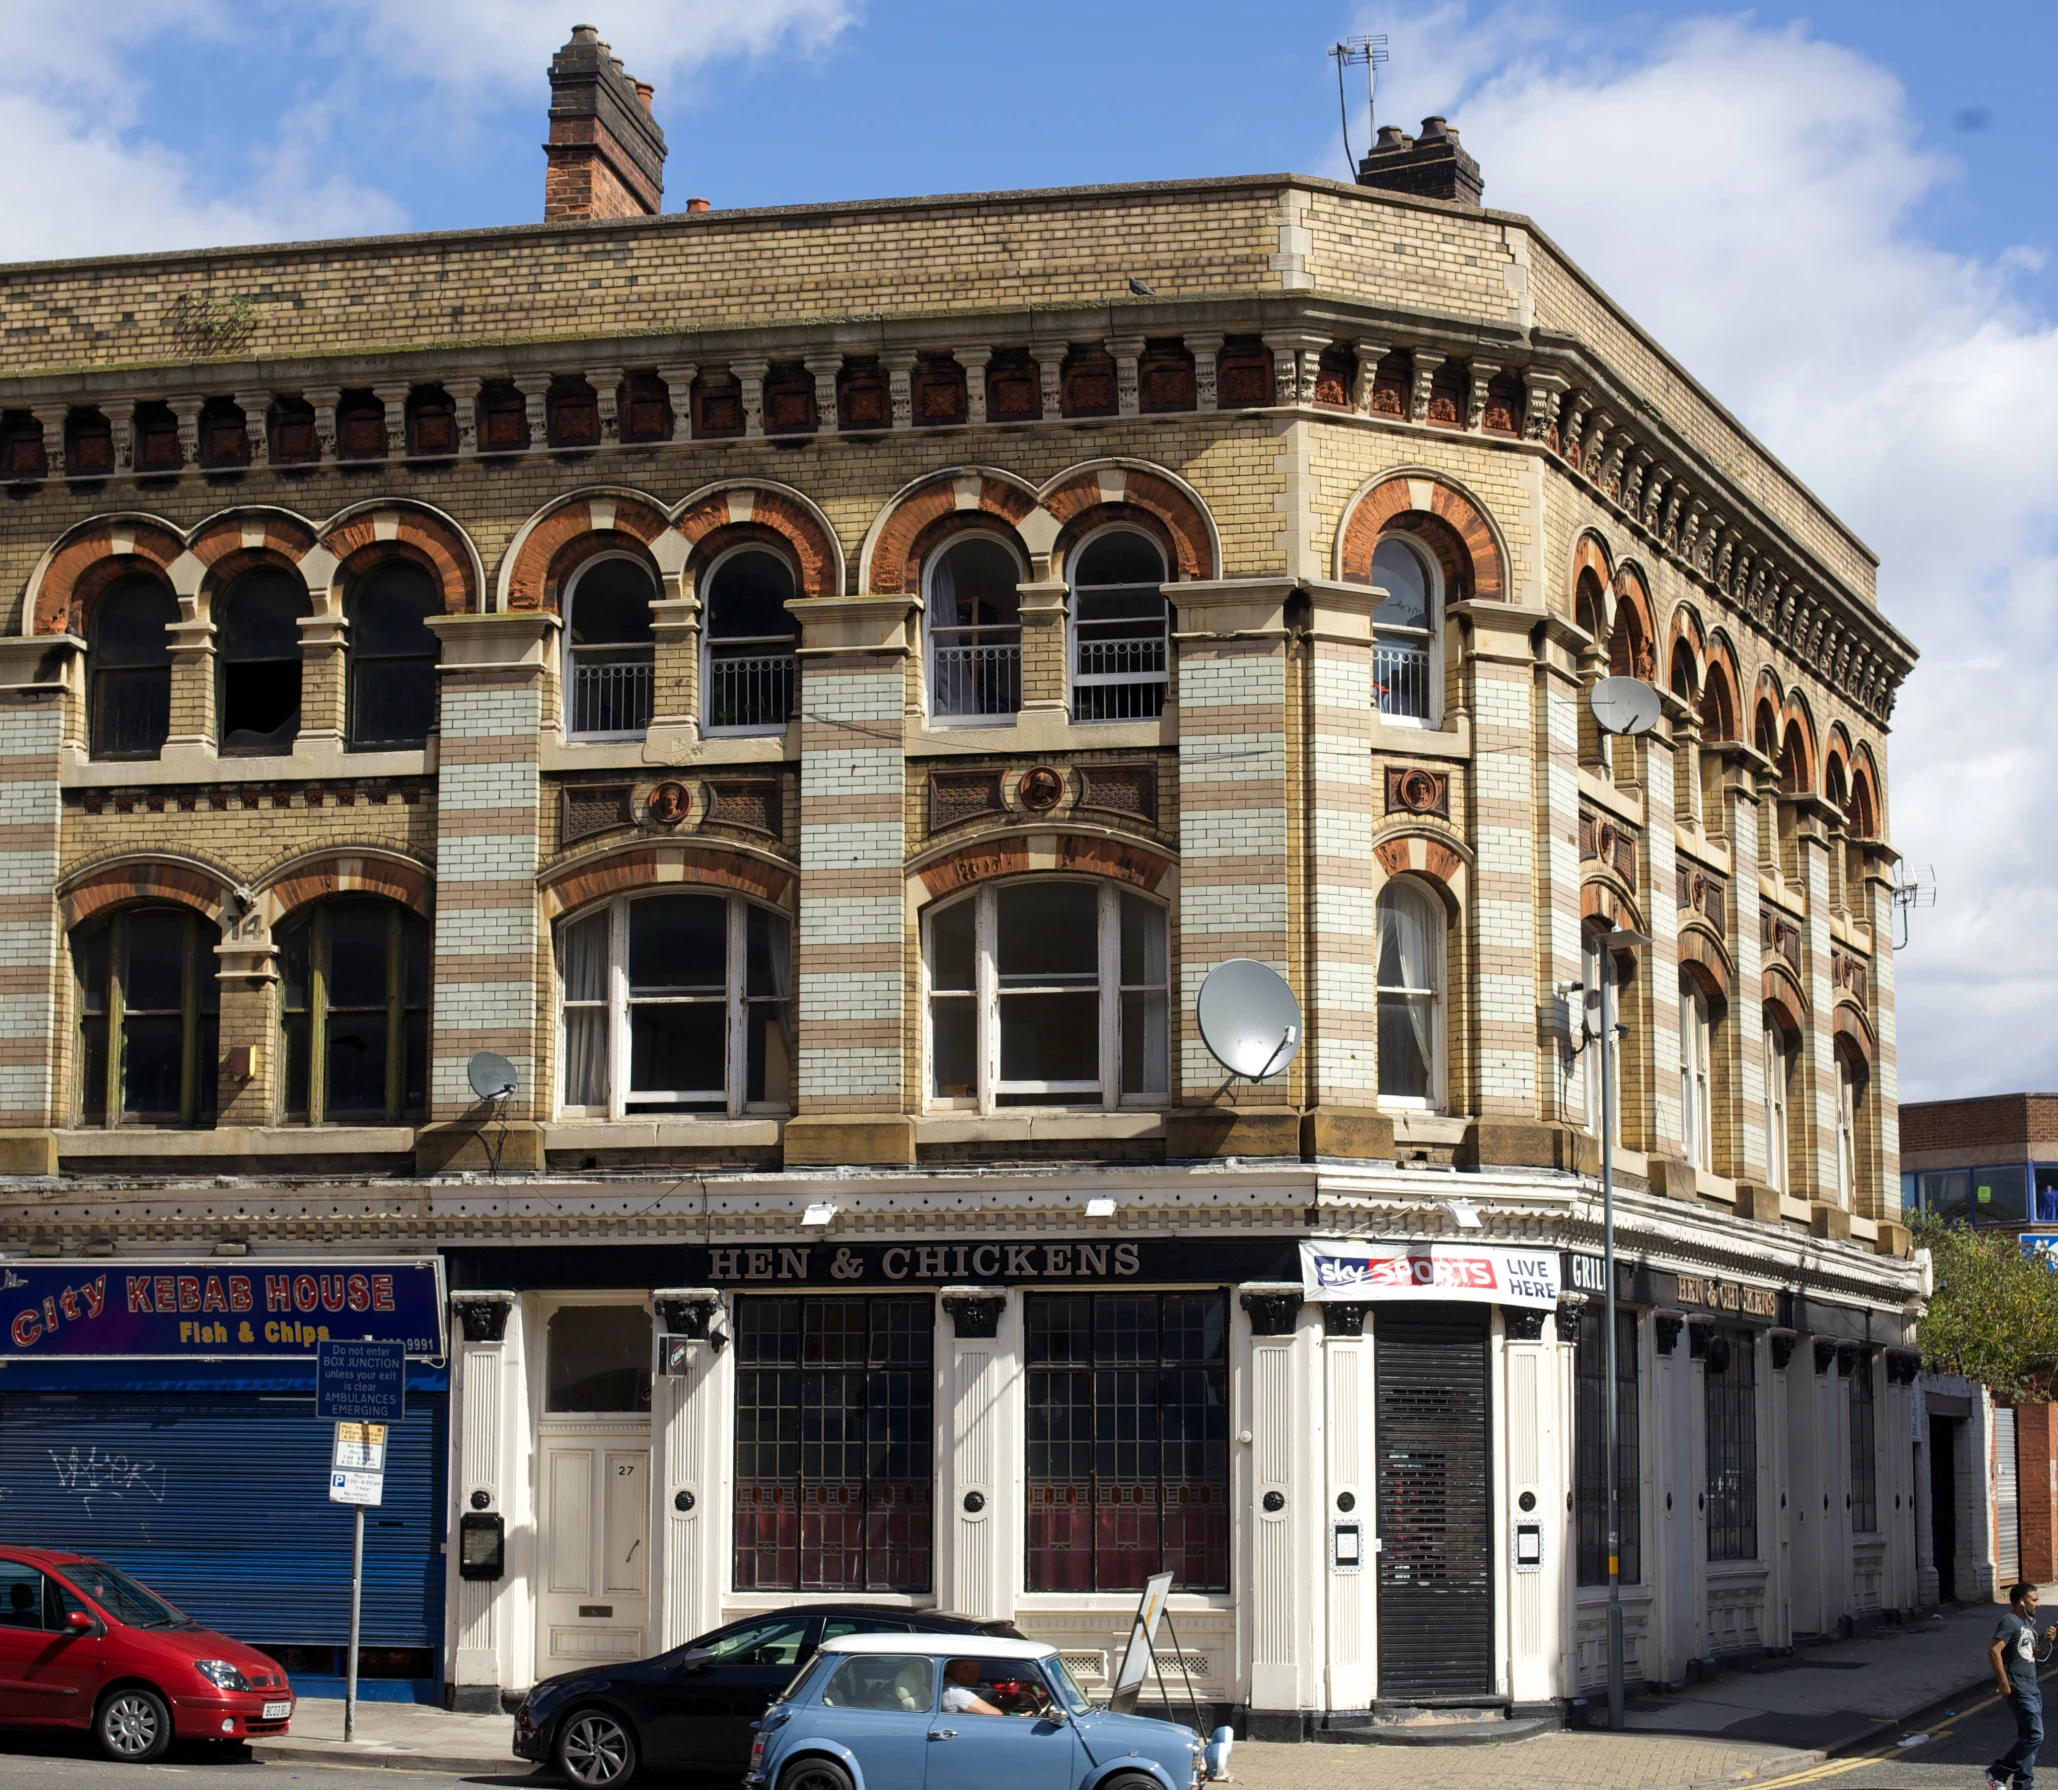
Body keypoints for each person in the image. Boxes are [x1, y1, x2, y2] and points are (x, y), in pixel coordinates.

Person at [1989, 1581, 2058, 1790]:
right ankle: (1998, 1771)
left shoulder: (2026, 1623)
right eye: (2034, 1600)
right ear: (2021, 1601)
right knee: (2036, 1735)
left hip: (2031, 1687)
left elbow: (2031, 1656)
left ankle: (2023, 1785)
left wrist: (2046, 1641)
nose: (2038, 1604)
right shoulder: (2009, 1622)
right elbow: (1994, 1651)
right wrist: (2003, 1683)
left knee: (2029, 1738)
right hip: (2018, 1688)